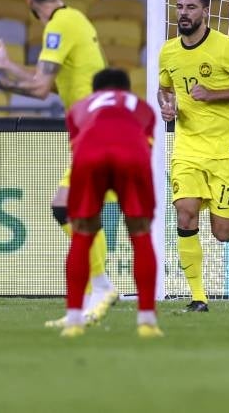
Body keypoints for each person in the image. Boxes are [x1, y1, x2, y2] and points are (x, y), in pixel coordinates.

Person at [0, 0, 116, 327]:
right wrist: (7, 66)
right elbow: (50, 84)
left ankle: (101, 288)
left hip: (98, 129)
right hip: (98, 129)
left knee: (65, 206)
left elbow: (38, 91)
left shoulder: (59, 26)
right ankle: (87, 303)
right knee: (74, 210)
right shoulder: (73, 21)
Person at [157, 0, 229, 313]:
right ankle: (198, 297)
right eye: (180, 7)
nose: (184, 13)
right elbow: (164, 88)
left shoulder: (226, 47)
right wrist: (167, 106)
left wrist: (213, 95)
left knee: (222, 231)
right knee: (185, 212)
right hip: (188, 147)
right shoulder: (169, 51)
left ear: (205, 11)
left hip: (224, 150)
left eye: (191, 7)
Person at [61, 68, 161, 338]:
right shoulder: (143, 108)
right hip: (132, 157)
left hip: (89, 157)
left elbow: (77, 146)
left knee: (82, 235)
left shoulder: (79, 107)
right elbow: (145, 147)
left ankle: (73, 322)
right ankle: (147, 322)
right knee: (140, 235)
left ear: (95, 92)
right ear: (126, 91)